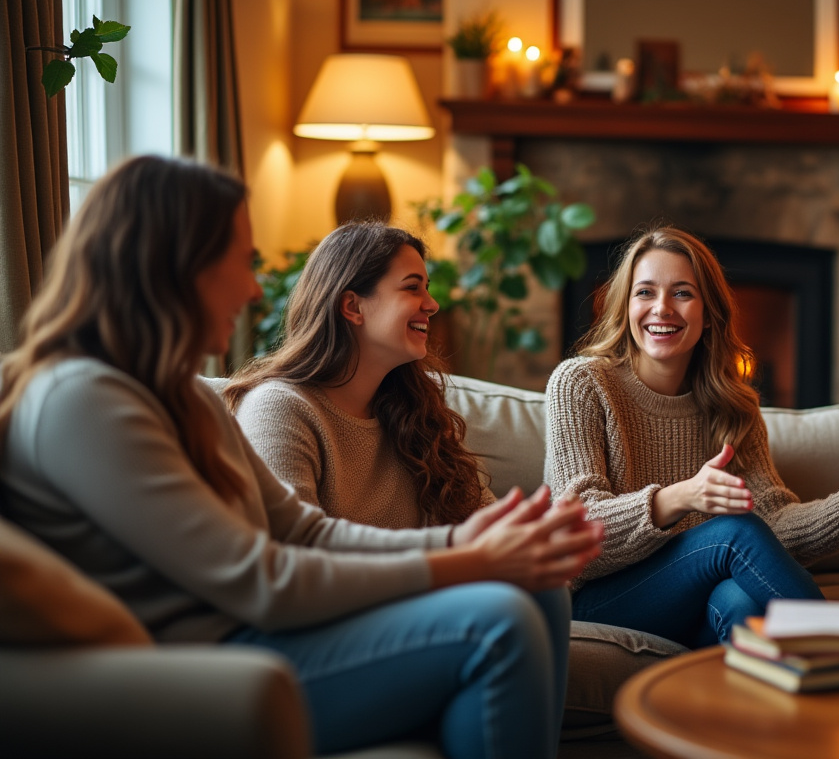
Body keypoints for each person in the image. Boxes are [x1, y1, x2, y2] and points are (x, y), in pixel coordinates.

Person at [0, 156, 602, 758]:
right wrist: (467, 561)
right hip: (211, 662)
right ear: (178, 263)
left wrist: (462, 542)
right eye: (240, 261)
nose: (253, 289)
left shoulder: (183, 395)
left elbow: (303, 530)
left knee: (539, 592)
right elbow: (262, 580)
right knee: (499, 623)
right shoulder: (82, 400)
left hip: (257, 633)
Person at [544, 227, 839, 649]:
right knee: (733, 531)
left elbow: (773, 527)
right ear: (625, 306)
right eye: (645, 292)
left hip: (690, 604)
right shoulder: (582, 383)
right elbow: (575, 530)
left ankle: (784, 686)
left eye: (682, 293)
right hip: (598, 599)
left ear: (708, 312)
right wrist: (680, 497)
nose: (661, 308)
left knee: (739, 599)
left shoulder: (733, 407)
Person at [226, 222, 488, 532]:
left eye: (426, 288)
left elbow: (488, 521)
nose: (432, 305)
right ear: (352, 306)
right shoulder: (278, 409)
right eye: (412, 287)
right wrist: (453, 548)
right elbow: (293, 546)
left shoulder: (418, 410)